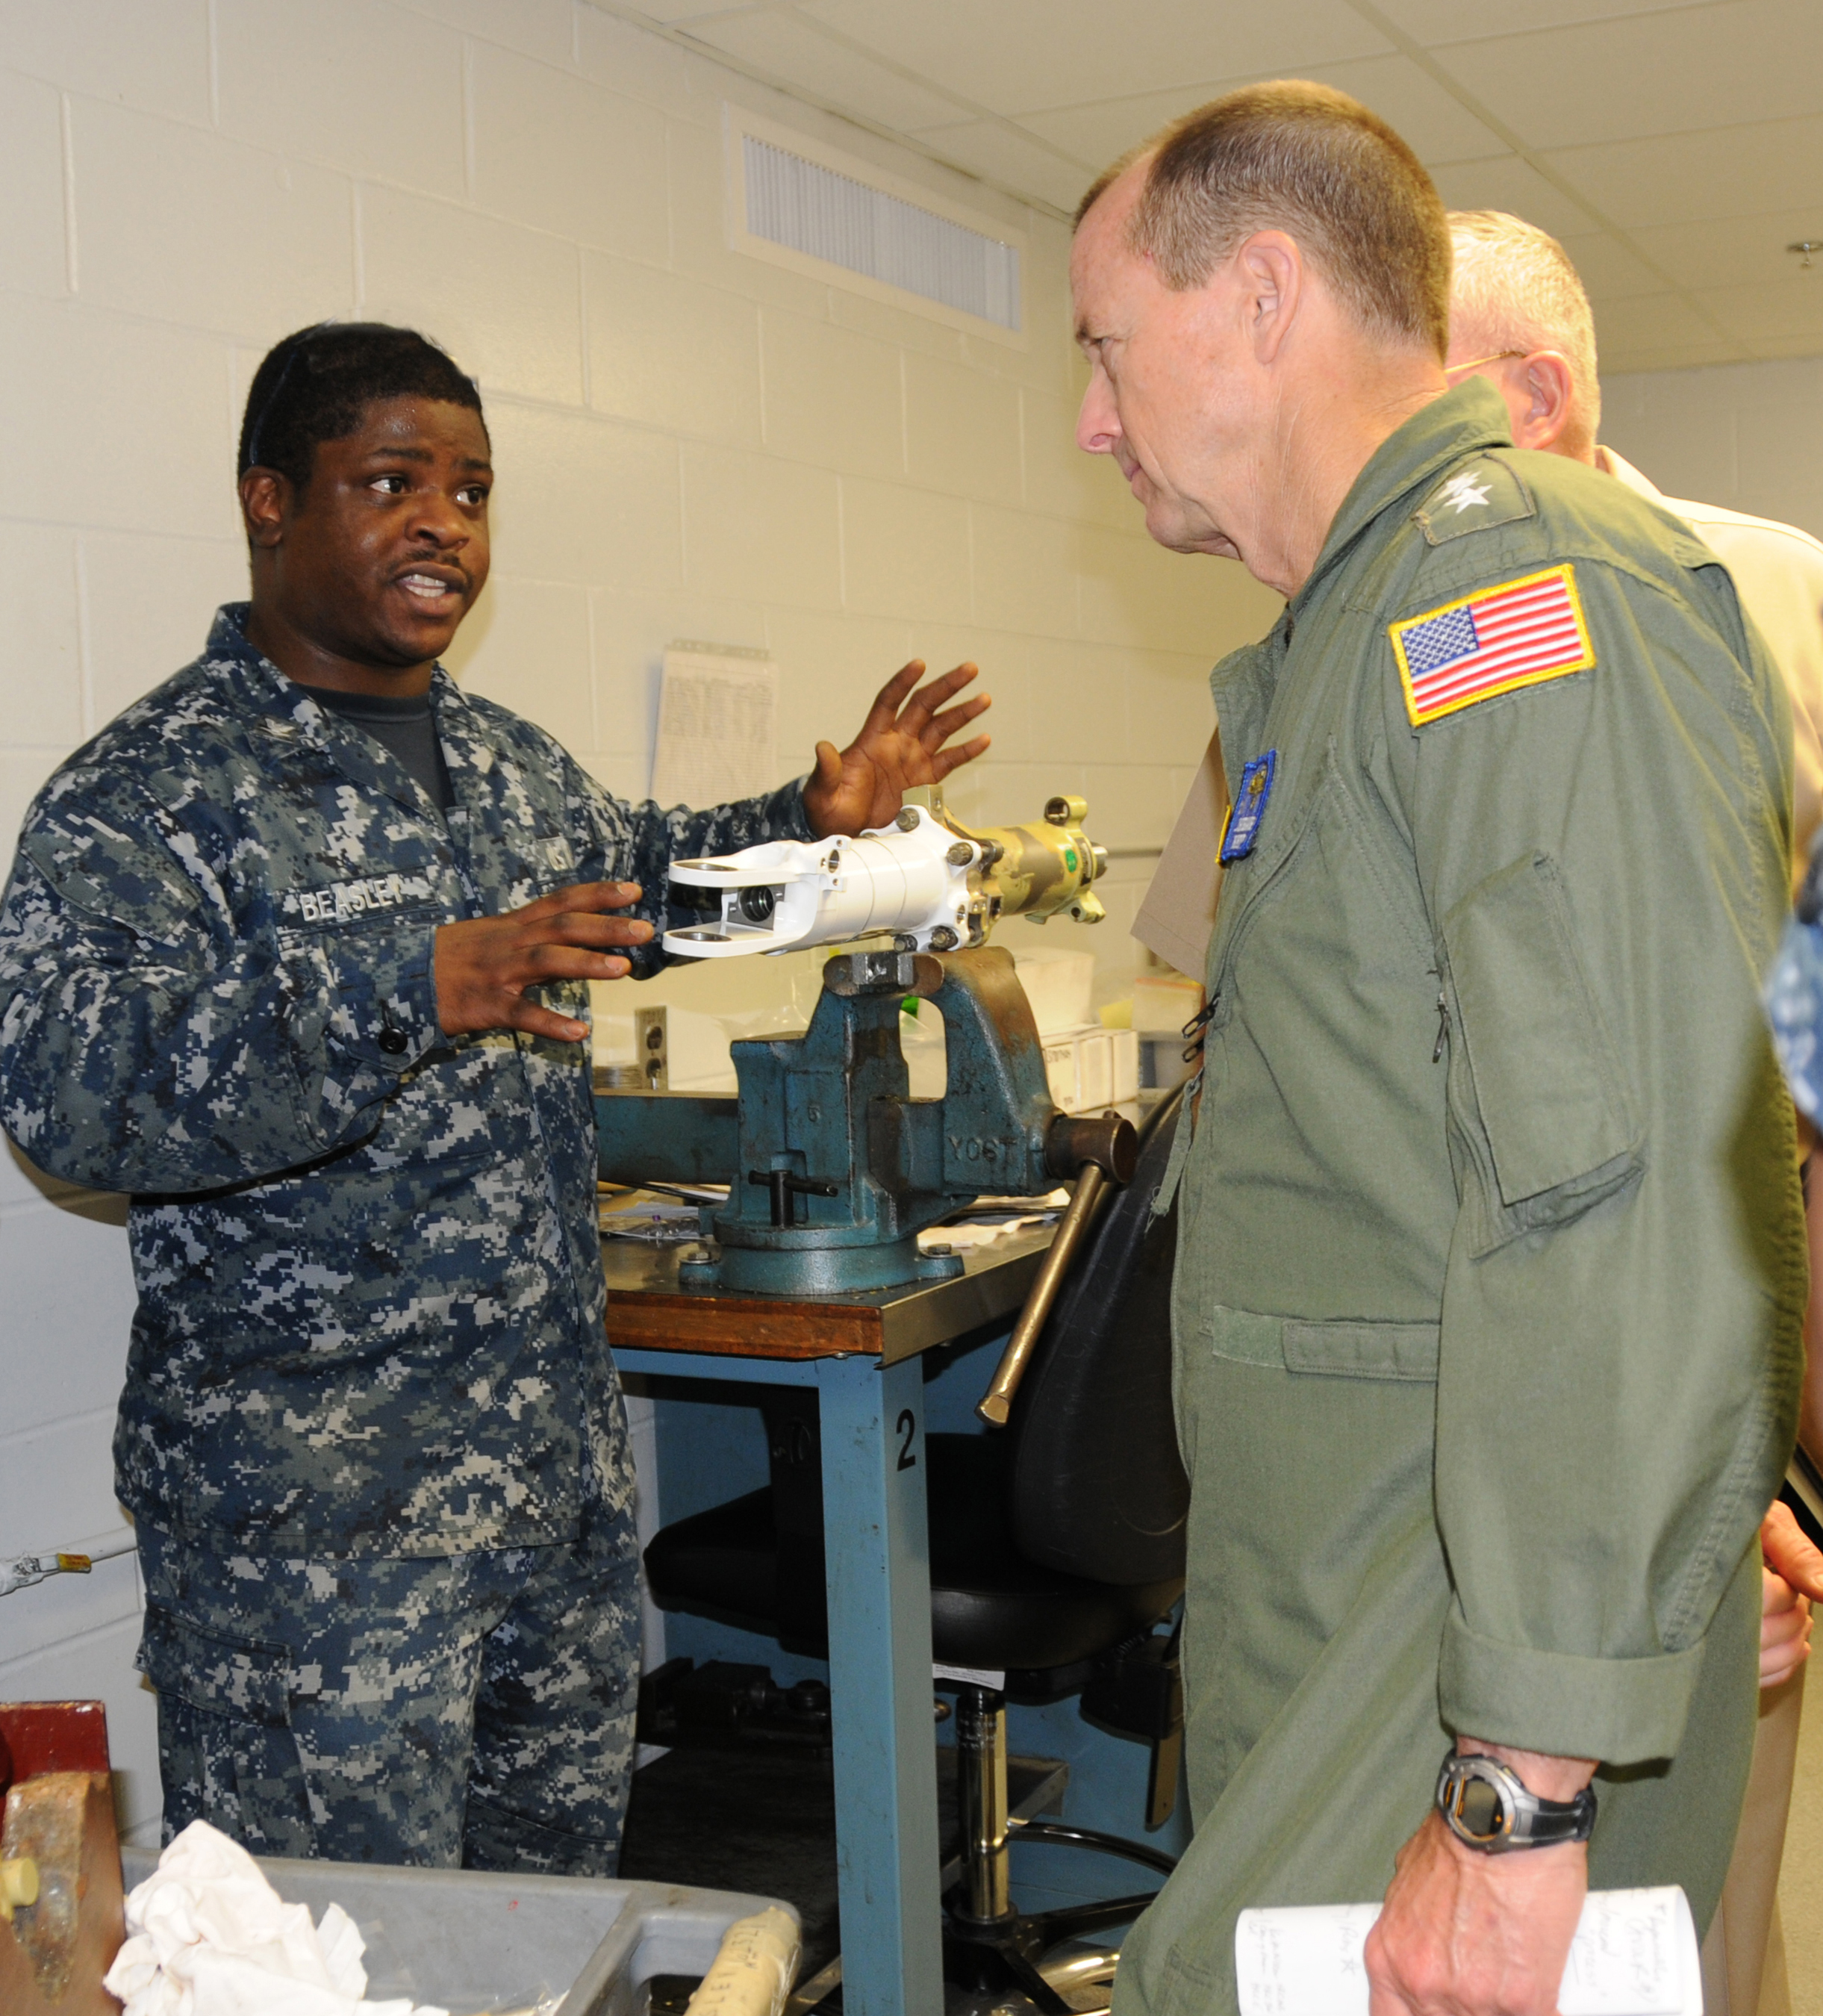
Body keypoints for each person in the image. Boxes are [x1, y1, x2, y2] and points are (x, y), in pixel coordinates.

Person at [0, 322, 991, 1873]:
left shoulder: (510, 765)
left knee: (548, 1950)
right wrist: (411, 985)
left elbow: (646, 889)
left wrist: (812, 827)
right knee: (334, 1969)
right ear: (270, 500)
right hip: (316, 1560)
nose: (444, 525)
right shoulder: (147, 796)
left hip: (551, 1505)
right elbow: (68, 1101)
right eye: (391, 481)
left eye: (470, 491)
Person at [1070, 84, 1804, 2016]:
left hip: (1453, 1636)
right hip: (1369, 1592)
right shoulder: (1356, 635)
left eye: (1102, 344)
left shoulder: (1515, 599)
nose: (1089, 412)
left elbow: (1625, 1190)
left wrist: (1513, 1796)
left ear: (1257, 296)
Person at [1445, 207, 1823, 2016]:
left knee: (1694, 1861)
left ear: (1534, 391)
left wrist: (1733, 1429)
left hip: (1732, 1273)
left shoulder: (1768, 595)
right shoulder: (1354, 603)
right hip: (1443, 1351)